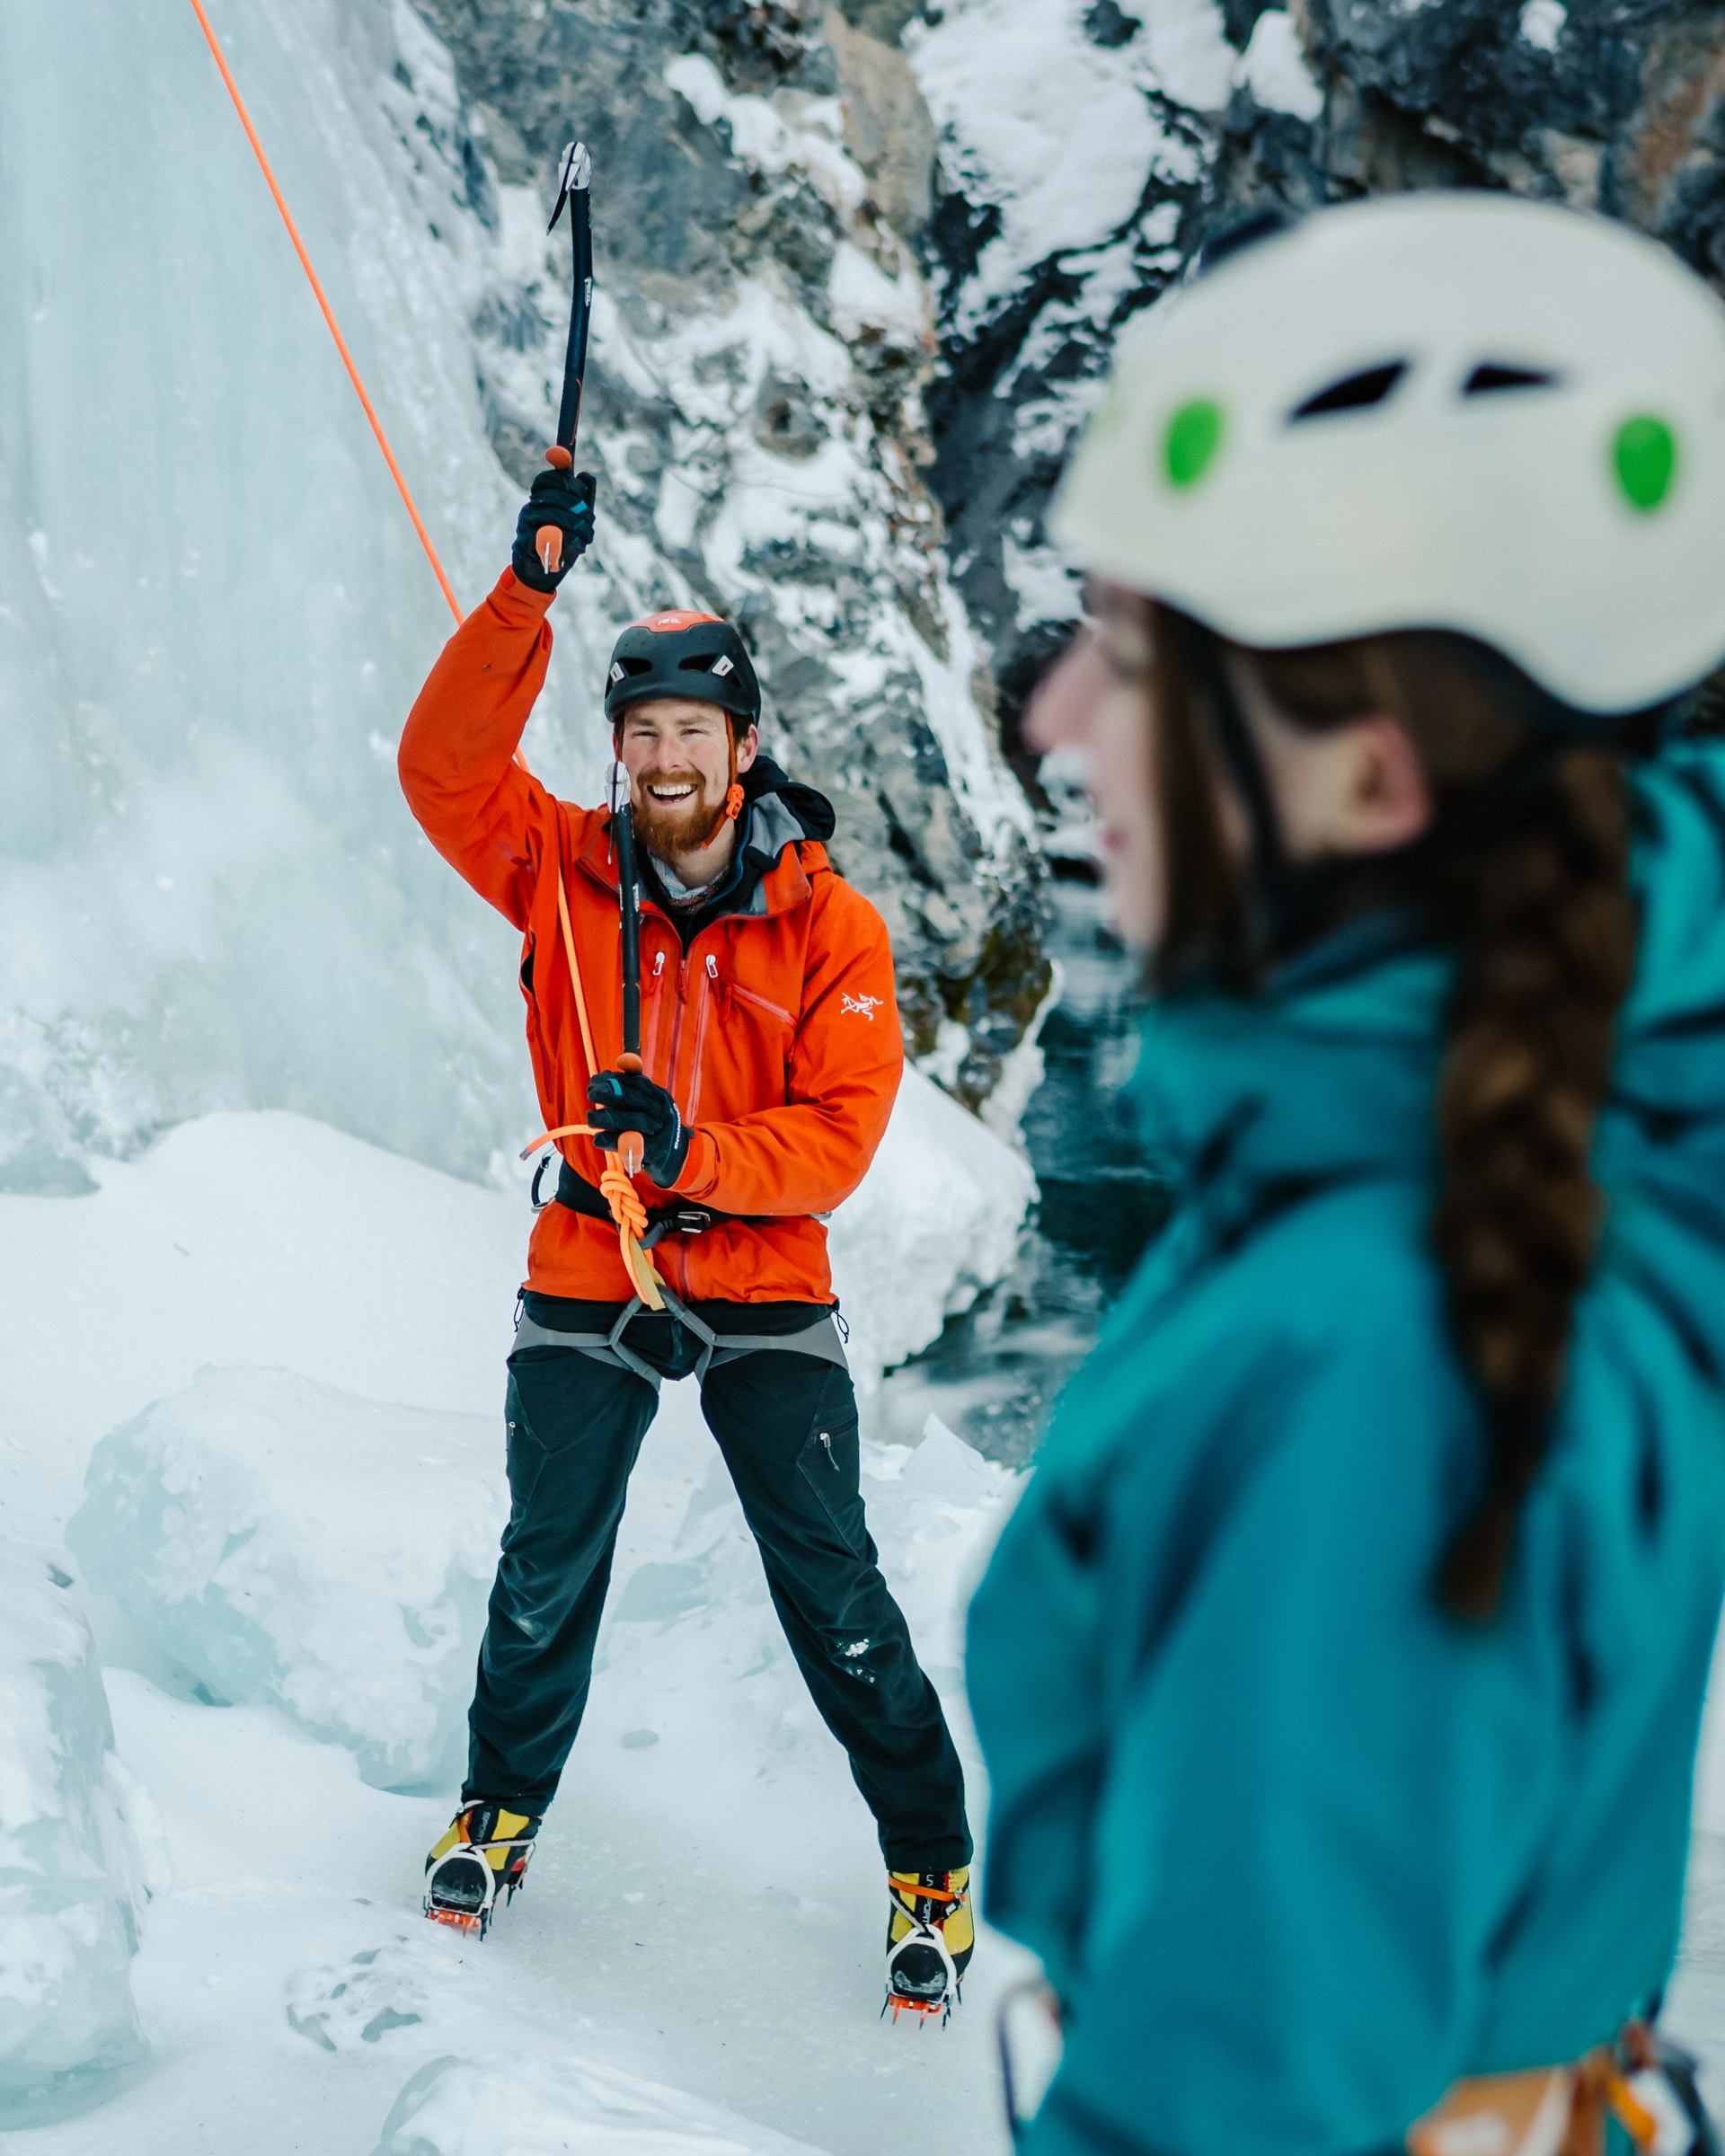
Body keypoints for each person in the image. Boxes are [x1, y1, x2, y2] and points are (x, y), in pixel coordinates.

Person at [966, 193, 1725, 2153]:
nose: (1052, 720)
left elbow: (1237, 2100)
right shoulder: (1557, 1108)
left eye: (1128, 658)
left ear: (1371, 784)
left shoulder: (1375, 1359)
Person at [397, 464, 973, 2017]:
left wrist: (695, 1155)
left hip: (763, 1275)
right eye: (640, 734)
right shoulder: (561, 871)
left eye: (691, 735)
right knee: (544, 1568)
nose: (663, 760)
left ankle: (928, 1858)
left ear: (742, 746)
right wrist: (524, 592)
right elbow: (440, 770)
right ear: (622, 750)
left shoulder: (830, 924)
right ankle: (498, 1814)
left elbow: (838, 1141)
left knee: (834, 1590)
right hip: (593, 1262)